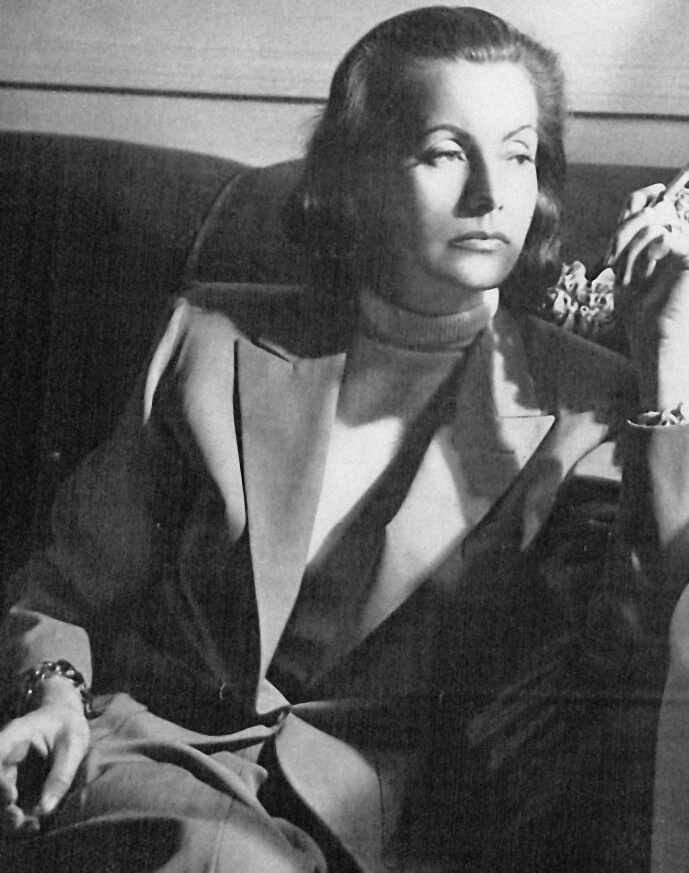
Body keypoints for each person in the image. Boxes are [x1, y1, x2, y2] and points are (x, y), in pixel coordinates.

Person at [1, 6, 688, 872]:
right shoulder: (208, 337)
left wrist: (666, 366)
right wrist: (53, 696)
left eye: (517, 155)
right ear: (357, 175)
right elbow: (66, 589)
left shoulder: (592, 398)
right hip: (152, 764)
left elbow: (628, 657)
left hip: (397, 817)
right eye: (444, 152)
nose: (489, 193)